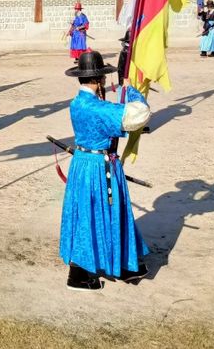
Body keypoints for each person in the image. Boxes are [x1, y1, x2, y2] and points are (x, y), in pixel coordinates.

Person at [61, 51, 151, 291]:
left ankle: (123, 262)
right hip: (99, 167)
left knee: (89, 212)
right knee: (100, 211)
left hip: (83, 163)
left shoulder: (77, 102)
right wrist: (131, 91)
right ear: (99, 79)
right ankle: (80, 273)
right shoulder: (99, 109)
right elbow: (139, 114)